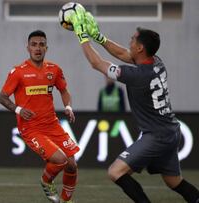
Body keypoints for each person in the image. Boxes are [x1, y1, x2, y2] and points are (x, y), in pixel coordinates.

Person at [67, 8, 199, 203]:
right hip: (170, 130)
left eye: (133, 40)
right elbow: (122, 53)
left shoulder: (137, 76)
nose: (130, 41)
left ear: (140, 49)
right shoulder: (156, 62)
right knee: (173, 181)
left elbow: (97, 64)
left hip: (157, 135)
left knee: (115, 171)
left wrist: (82, 35)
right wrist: (98, 37)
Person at [0, 30, 79, 203]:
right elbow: (2, 97)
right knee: (60, 160)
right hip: (31, 128)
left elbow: (64, 91)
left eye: (41, 44)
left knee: (72, 164)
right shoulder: (18, 72)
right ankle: (46, 181)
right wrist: (18, 110)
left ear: (46, 48)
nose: (38, 48)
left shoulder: (54, 70)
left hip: (52, 125)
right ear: (27, 48)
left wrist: (68, 106)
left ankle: (66, 200)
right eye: (34, 44)